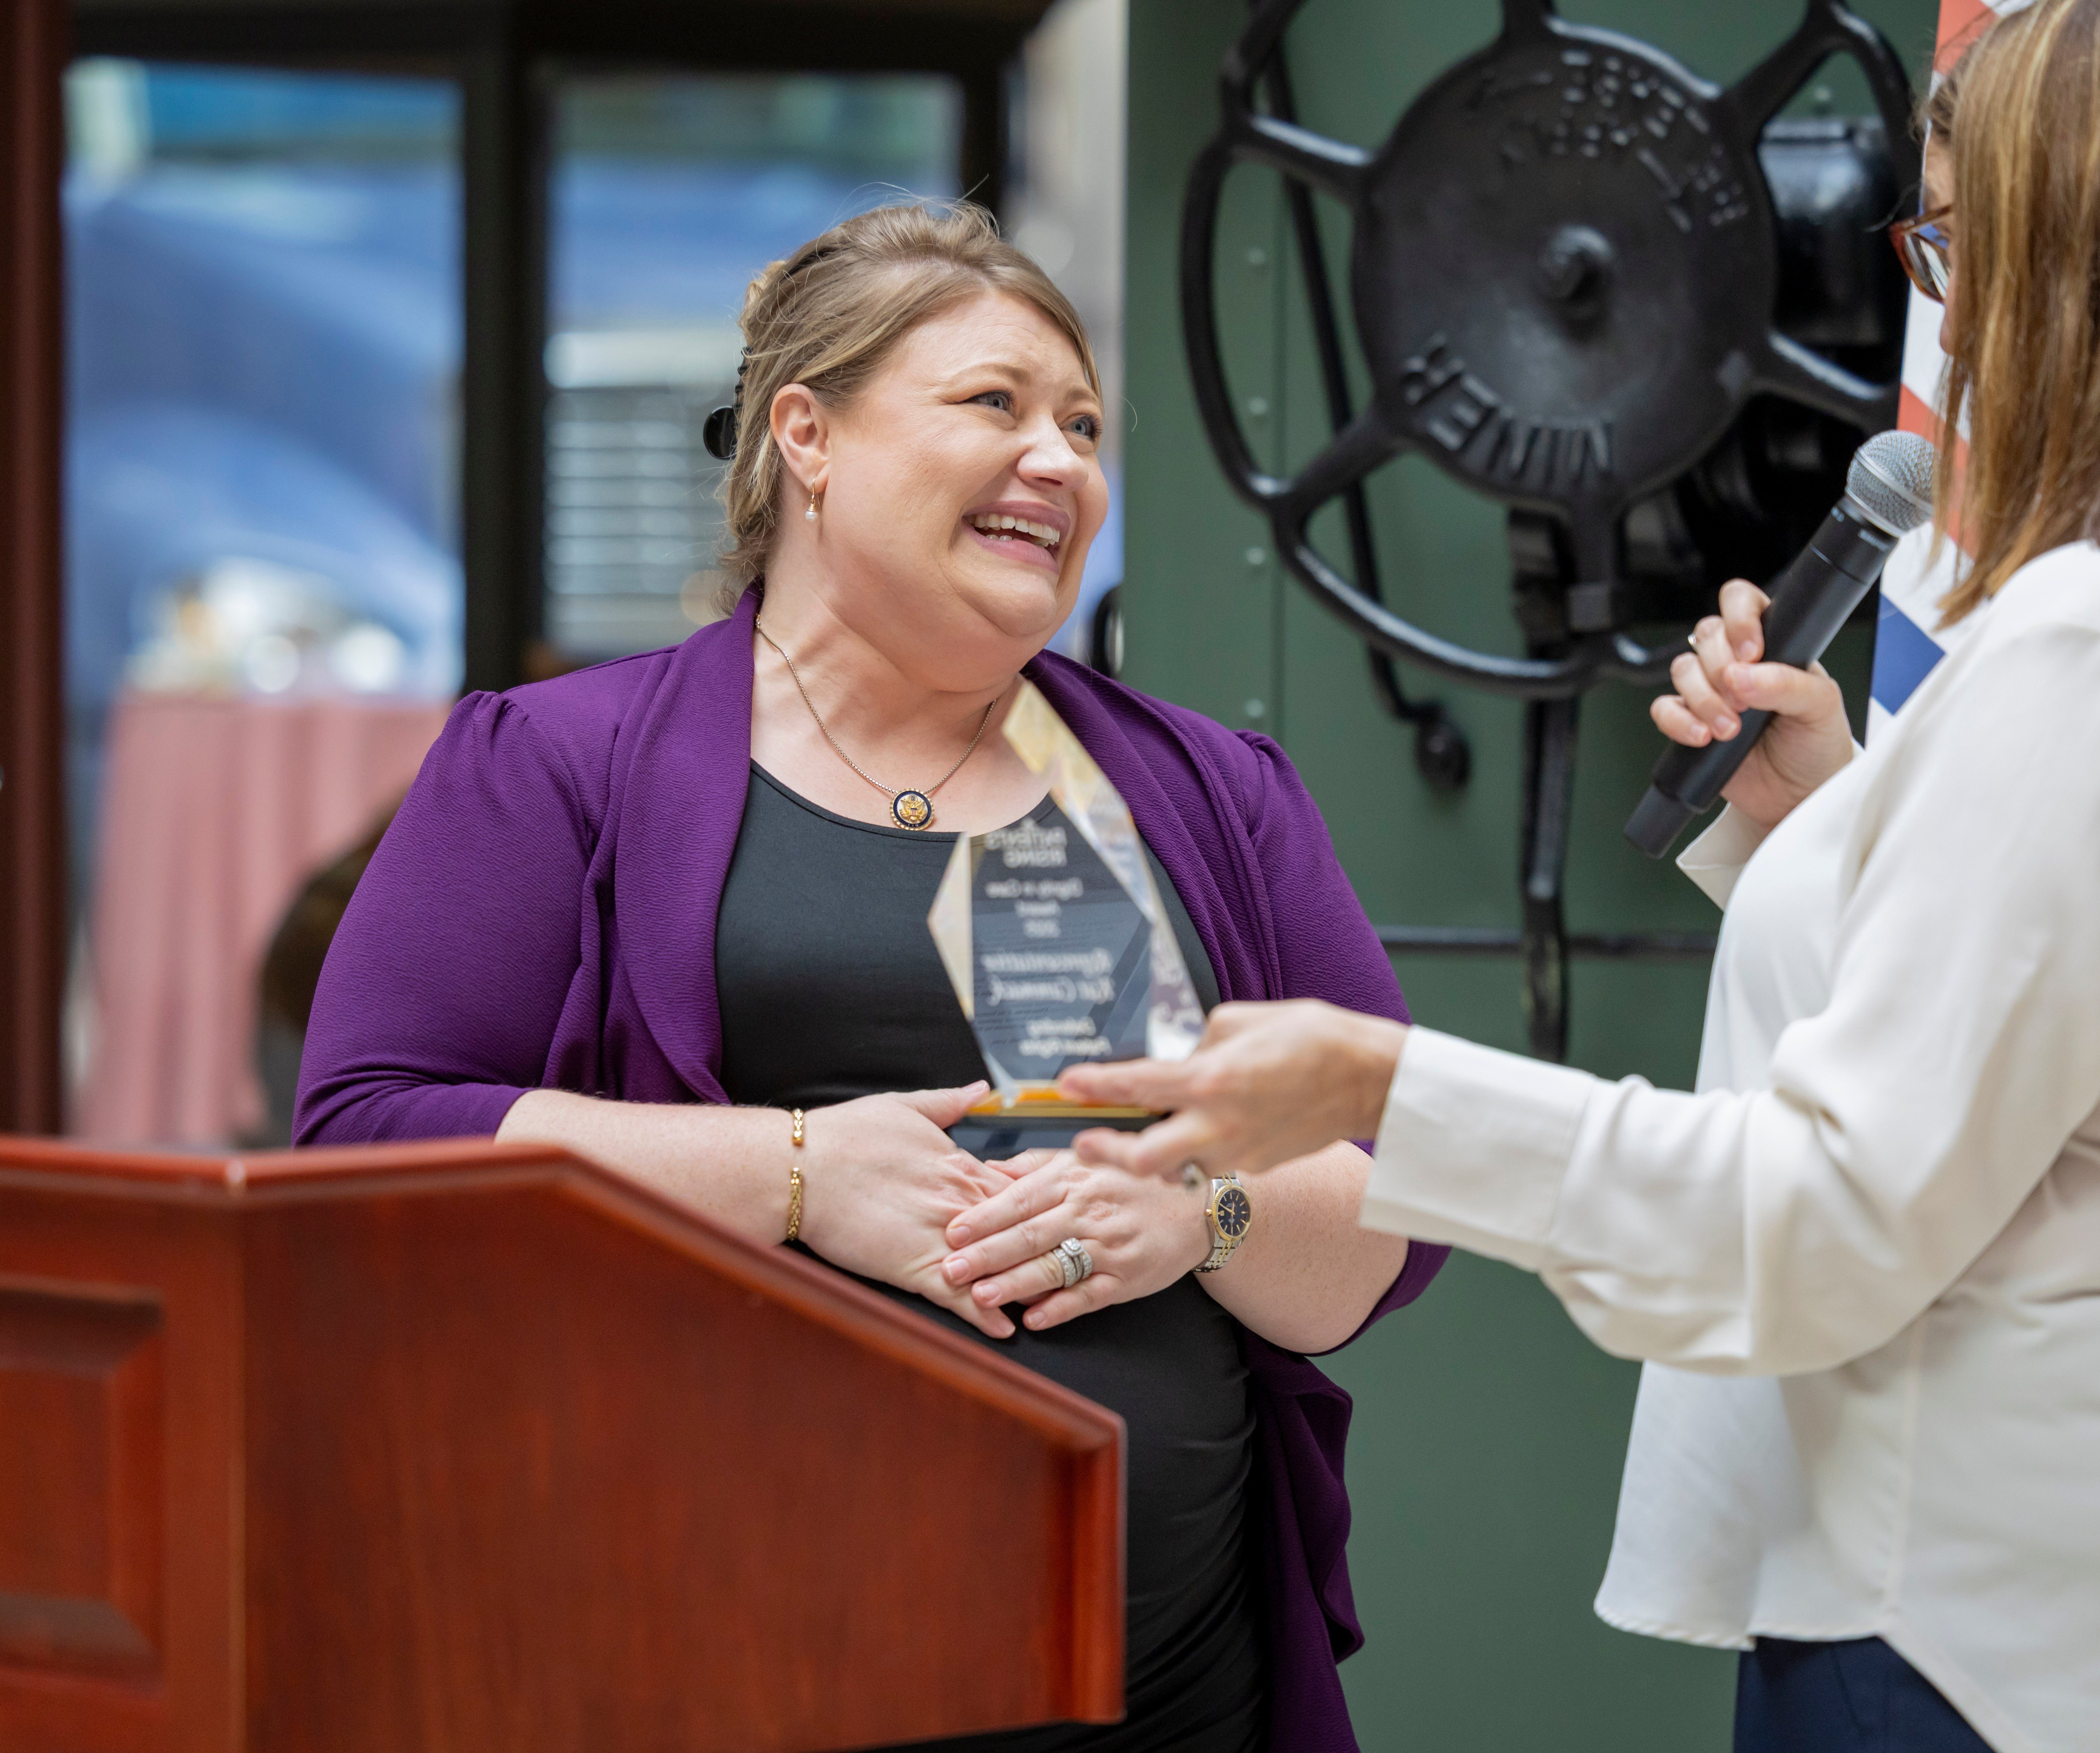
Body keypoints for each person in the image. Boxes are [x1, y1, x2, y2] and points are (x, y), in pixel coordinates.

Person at [1066, 0, 2100, 1753]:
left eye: (1945, 251)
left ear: (2065, 254)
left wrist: (1380, 1086)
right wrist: (1833, 814)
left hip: (1974, 1631)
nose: (1949, 325)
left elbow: (1827, 1220)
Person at [296, 201, 1445, 1753]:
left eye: (1085, 425)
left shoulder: (1207, 795)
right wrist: (791, 1172)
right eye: (994, 404)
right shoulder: (561, 766)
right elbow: (364, 1146)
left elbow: (1401, 1200)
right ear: (808, 436)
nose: (1060, 459)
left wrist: (1204, 1209)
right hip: (701, 1670)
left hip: (1174, 1692)